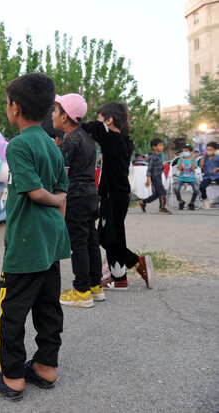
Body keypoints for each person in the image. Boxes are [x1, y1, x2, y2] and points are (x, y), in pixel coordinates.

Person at [0, 73, 70, 401]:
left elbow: (36, 193)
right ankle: (46, 367)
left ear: (14, 108)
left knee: (11, 309)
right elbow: (63, 189)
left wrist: (54, 199)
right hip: (50, 241)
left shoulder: (18, 145)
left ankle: (12, 377)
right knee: (48, 305)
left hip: (25, 243)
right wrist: (57, 212)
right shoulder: (51, 144)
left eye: (7, 104)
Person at [82, 102, 154, 290]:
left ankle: (132, 267)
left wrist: (73, 120)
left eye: (100, 117)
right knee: (108, 236)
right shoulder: (124, 140)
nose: (97, 122)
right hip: (115, 193)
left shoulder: (111, 136)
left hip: (113, 194)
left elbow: (92, 127)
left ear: (109, 120)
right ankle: (120, 275)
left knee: (110, 237)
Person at [53, 93, 104, 308]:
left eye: (55, 111)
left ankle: (81, 291)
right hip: (91, 195)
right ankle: (95, 285)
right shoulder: (85, 137)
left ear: (65, 117)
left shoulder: (70, 140)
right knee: (90, 239)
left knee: (79, 243)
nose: (52, 115)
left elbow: (62, 175)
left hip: (76, 196)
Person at [139, 138, 171, 214]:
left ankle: (143, 202)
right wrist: (148, 179)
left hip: (159, 176)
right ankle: (162, 208)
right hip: (155, 177)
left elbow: (160, 165)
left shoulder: (159, 155)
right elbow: (149, 169)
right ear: (154, 147)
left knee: (158, 193)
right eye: (160, 145)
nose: (162, 147)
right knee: (162, 192)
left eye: (162, 145)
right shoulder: (153, 157)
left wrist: (162, 168)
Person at [173, 145, 200, 210]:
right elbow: (179, 168)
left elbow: (193, 170)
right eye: (183, 151)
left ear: (191, 152)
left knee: (196, 189)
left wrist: (193, 160)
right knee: (176, 188)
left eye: (186, 151)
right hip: (181, 178)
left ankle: (192, 202)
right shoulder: (180, 159)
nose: (184, 152)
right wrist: (181, 160)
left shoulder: (194, 160)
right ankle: (180, 201)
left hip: (191, 179)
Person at [199, 142, 219, 209]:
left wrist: (217, 168)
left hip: (216, 175)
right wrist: (203, 157)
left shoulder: (217, 157)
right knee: (202, 186)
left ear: (215, 150)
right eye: (207, 149)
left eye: (210, 149)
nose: (208, 151)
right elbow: (201, 166)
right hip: (207, 176)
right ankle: (205, 199)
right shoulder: (205, 158)